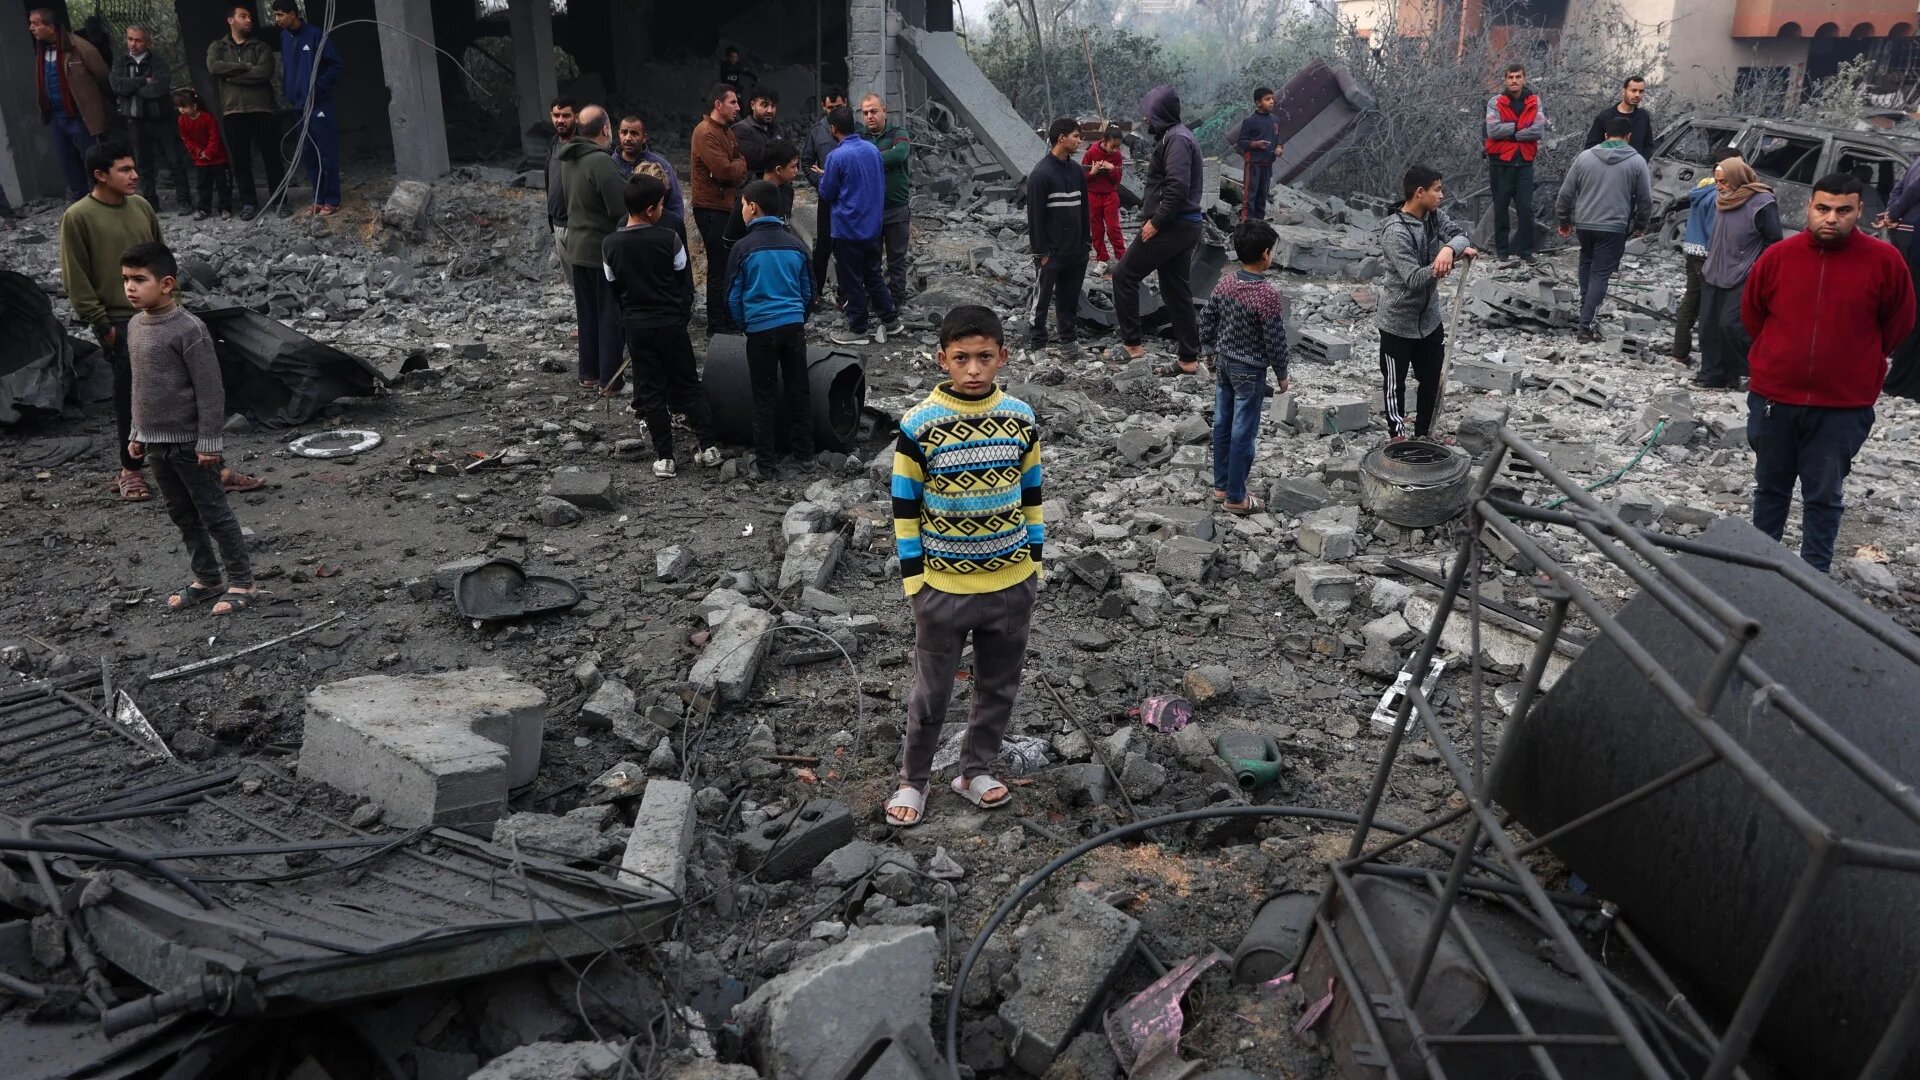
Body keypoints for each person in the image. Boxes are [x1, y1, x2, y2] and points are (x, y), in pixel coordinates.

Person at [884, 304, 1043, 828]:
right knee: (932, 690)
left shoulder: (1021, 419)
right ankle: (914, 779)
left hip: (1011, 582)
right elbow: (905, 510)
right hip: (943, 587)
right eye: (961, 358)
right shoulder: (919, 426)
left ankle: (975, 769)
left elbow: (1032, 496)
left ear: (1003, 357)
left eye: (984, 357)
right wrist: (916, 583)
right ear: (941, 360)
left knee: (998, 684)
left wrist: (1033, 563)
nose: (973, 370)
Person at [1743, 174, 1913, 573]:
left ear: (1860, 212)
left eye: (1843, 210)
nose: (1831, 218)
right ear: (1809, 208)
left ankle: (1813, 578)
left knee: (1823, 495)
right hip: (1775, 399)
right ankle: (1755, 569)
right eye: (1823, 209)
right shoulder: (1778, 257)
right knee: (1770, 489)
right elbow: (1753, 316)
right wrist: (1783, 357)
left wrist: (1855, 360)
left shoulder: (1885, 262)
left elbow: (1899, 324)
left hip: (1842, 405)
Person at [121, 241, 257, 617]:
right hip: (155, 444)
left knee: (214, 512)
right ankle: (207, 577)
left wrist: (210, 441)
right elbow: (140, 385)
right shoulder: (135, 325)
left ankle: (243, 581)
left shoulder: (189, 329)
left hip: (191, 446)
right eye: (126, 280)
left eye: (139, 279)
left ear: (167, 284)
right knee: (181, 513)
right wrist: (136, 431)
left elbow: (210, 390)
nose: (130, 287)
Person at [603, 173, 724, 479]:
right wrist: (679, 311)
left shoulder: (610, 244)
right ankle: (708, 447)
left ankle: (665, 458)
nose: (662, 210)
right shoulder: (668, 239)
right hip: (670, 324)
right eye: (659, 205)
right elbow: (684, 280)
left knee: (651, 390)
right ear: (649, 209)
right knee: (687, 384)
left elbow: (613, 287)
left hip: (637, 326)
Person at [62, 143, 161, 503]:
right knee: (130, 396)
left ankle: (207, 466)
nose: (134, 175)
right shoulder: (79, 216)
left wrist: (172, 305)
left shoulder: (142, 207)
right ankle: (130, 470)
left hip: (158, 314)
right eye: (124, 169)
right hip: (118, 319)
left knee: (181, 390)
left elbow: (161, 259)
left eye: (134, 168)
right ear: (100, 175)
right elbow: (77, 276)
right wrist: (102, 324)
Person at [725, 179, 816, 481]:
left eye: (741, 206)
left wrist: (745, 323)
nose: (741, 212)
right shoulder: (796, 245)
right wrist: (798, 317)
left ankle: (766, 464)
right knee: (798, 391)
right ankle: (805, 456)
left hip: (760, 331)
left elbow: (733, 295)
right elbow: (808, 291)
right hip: (792, 326)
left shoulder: (742, 248)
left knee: (763, 396)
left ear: (752, 207)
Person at [1377, 164, 1474, 442]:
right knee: (1395, 384)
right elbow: (1414, 278)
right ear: (1420, 192)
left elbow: (1461, 235)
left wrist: (1448, 248)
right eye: (1437, 190)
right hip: (1397, 322)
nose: (1441, 195)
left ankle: (1424, 434)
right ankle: (1397, 435)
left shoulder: (1433, 216)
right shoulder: (1395, 232)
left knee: (1431, 379)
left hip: (1429, 319)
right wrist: (1447, 261)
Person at [1202, 220, 1290, 514]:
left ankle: (1221, 486)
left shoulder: (1226, 282)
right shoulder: (1266, 295)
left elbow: (1207, 318)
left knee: (1222, 426)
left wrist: (1208, 349)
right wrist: (1282, 374)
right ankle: (1236, 497)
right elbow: (1275, 339)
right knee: (1243, 433)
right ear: (1265, 253)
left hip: (1224, 365)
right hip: (1249, 371)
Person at [1114, 85, 1204, 373]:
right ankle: (1189, 359)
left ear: (1160, 113)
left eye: (1148, 115)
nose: (1146, 120)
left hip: (1172, 225)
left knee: (1124, 275)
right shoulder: (1175, 136)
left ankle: (1132, 346)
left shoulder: (1176, 140)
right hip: (1184, 225)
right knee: (1175, 289)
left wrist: (1156, 221)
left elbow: (1177, 187)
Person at [1555, 114, 1651, 342]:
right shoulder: (1637, 162)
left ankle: (1586, 312)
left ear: (1605, 135)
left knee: (1586, 264)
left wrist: (1564, 220)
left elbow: (1566, 194)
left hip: (1585, 224)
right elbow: (1646, 199)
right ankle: (1585, 326)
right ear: (1629, 137)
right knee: (1600, 274)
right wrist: (1640, 225)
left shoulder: (1584, 157)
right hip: (1614, 227)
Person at [559, 106, 631, 392]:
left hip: (577, 248)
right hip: (601, 250)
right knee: (610, 315)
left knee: (587, 314)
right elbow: (620, 206)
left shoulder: (569, 158)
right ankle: (611, 379)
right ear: (605, 130)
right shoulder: (600, 162)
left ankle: (588, 373)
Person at [1696, 156, 1780, 390]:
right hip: (1715, 270)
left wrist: (1756, 269)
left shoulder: (1761, 201)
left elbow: (1773, 241)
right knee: (1708, 326)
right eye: (1717, 181)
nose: (1719, 186)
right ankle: (1713, 375)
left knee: (1731, 325)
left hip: (1744, 273)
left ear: (1737, 178)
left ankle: (1746, 371)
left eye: (1723, 182)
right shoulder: (1723, 199)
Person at [818, 105, 899, 346]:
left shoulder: (836, 157)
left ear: (834, 129)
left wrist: (824, 175)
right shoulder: (872, 150)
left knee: (850, 279)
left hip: (847, 229)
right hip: (872, 226)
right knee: (873, 273)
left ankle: (858, 327)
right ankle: (890, 319)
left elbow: (827, 192)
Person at [206, 3, 287, 220]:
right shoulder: (218, 47)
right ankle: (249, 202)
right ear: (230, 20)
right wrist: (245, 67)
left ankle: (280, 200)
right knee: (240, 160)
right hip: (233, 111)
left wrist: (231, 75)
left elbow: (263, 72)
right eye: (243, 16)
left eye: (250, 17)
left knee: (272, 158)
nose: (249, 20)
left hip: (262, 109)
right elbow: (214, 67)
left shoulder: (261, 47)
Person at [30, 8, 110, 202]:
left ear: (49, 26)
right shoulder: (42, 50)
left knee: (91, 159)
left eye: (36, 23)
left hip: (79, 115)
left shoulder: (79, 47)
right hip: (56, 116)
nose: (31, 28)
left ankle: (103, 198)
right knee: (67, 161)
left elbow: (102, 76)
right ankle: (80, 200)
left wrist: (94, 105)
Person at [272, 0, 343, 215]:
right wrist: (290, 93)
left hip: (319, 104)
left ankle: (332, 199)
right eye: (275, 15)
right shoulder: (284, 37)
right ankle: (318, 199)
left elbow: (336, 66)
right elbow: (288, 68)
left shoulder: (314, 35)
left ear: (293, 14)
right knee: (309, 153)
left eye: (280, 14)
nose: (276, 19)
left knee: (326, 152)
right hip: (298, 106)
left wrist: (317, 88)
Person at [1026, 118, 1090, 356]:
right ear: (1061, 138)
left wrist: (1086, 242)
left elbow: (1084, 209)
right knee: (1041, 298)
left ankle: (1068, 342)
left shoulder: (1076, 171)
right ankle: (1037, 343)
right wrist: (1041, 252)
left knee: (1069, 298)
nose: (1079, 141)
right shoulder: (1041, 174)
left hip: (1076, 251)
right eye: (1075, 136)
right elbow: (1035, 217)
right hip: (1051, 254)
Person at [111, 25, 190, 214]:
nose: (133, 44)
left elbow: (158, 89)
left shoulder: (158, 62)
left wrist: (132, 88)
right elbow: (117, 86)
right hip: (135, 120)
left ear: (147, 42)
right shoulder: (120, 62)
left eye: (138, 40)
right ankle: (150, 204)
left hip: (161, 119)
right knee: (142, 164)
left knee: (174, 161)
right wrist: (142, 80)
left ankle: (184, 201)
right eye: (130, 39)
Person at [1673, 145, 1739, 365]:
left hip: (1692, 250)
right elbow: (1715, 230)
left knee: (1691, 301)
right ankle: (1711, 357)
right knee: (1710, 307)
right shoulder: (1719, 196)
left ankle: (1680, 351)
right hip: (1708, 256)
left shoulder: (1702, 189)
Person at [691, 83, 748, 333]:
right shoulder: (705, 132)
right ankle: (716, 326)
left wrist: (736, 166)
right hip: (711, 208)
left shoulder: (726, 131)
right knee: (718, 267)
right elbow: (725, 170)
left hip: (725, 205)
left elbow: (738, 162)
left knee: (729, 265)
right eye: (733, 102)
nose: (738, 107)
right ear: (718, 104)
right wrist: (737, 166)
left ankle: (727, 319)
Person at [1484, 63, 1543, 263]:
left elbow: (1538, 131)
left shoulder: (1534, 101)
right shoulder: (1495, 102)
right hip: (1500, 162)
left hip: (1525, 162)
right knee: (1500, 207)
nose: (1514, 80)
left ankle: (1525, 251)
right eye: (1511, 77)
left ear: (1524, 78)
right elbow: (1493, 131)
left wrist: (1509, 130)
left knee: (1525, 208)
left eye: (1518, 77)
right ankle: (1502, 251)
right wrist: (1521, 128)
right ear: (1506, 79)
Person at [859, 94, 914, 307]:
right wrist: (883, 155)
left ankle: (898, 300)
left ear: (884, 111)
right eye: (865, 113)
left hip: (896, 208)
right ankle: (875, 300)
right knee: (870, 258)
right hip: (870, 211)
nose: (870, 116)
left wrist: (866, 159)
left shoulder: (899, 133)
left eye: (873, 111)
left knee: (896, 259)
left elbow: (899, 155)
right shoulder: (860, 137)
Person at [1873, 155, 1920, 401]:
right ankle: (1905, 381)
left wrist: (1892, 213)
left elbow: (1900, 188)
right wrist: (1894, 213)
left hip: (1905, 232)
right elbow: (1911, 188)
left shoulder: (1915, 160)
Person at [803, 85, 849, 298]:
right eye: (830, 108)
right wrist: (821, 183)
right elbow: (806, 163)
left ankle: (846, 294)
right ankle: (815, 294)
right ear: (823, 107)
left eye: (838, 106)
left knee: (847, 248)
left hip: (850, 200)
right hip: (827, 200)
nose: (834, 111)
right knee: (823, 247)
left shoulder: (854, 128)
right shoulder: (817, 131)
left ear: (845, 104)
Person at [723, 139, 799, 250]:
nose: (797, 170)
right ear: (778, 170)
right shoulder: (749, 194)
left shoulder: (787, 190)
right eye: (793, 166)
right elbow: (730, 239)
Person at [612, 115, 685, 223]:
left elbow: (675, 203)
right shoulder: (610, 164)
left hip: (656, 231)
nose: (628, 138)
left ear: (644, 137)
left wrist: (673, 229)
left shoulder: (661, 165)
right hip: (621, 232)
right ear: (619, 134)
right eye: (624, 132)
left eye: (634, 133)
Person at [174, 88, 233, 221]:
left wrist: (209, 152)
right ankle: (204, 208)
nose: (181, 110)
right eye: (179, 107)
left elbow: (215, 137)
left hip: (218, 159)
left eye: (184, 106)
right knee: (203, 185)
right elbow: (186, 139)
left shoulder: (208, 118)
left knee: (223, 184)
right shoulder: (181, 120)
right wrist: (198, 152)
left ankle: (225, 208)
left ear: (194, 106)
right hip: (200, 159)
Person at [1231, 86, 1283, 222]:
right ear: (1258, 102)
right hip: (1253, 164)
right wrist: (1256, 144)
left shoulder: (1275, 120)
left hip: (1267, 164)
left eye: (1272, 98)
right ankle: (1246, 224)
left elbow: (1278, 138)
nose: (1272, 101)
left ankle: (1259, 223)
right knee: (1250, 196)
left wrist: (1278, 148)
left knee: (1262, 196)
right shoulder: (1250, 121)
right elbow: (1241, 142)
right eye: (1267, 99)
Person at [1081, 124, 1126, 274]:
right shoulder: (1091, 153)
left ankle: (1122, 256)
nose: (1115, 150)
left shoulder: (1117, 156)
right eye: (1113, 146)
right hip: (1092, 195)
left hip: (1110, 195)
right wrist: (1092, 172)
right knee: (1097, 229)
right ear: (1104, 141)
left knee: (1113, 227)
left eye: (1118, 147)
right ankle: (1102, 259)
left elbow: (1117, 180)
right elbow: (1082, 178)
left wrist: (1112, 168)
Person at [1584, 75, 1653, 159]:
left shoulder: (1643, 116)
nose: (1637, 95)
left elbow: (1648, 145)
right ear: (1624, 91)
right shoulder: (1605, 117)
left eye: (1641, 91)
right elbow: (1591, 147)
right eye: (1633, 90)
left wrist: (1641, 163)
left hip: (1635, 168)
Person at [545, 96, 578, 271]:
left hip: (579, 227)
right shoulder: (553, 144)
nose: (560, 120)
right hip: (558, 224)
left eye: (566, 116)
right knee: (572, 283)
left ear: (576, 117)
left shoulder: (583, 146)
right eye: (556, 115)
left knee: (585, 283)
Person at [733, 86, 779, 175]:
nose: (770, 110)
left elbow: (793, 159)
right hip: (755, 186)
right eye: (764, 105)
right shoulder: (741, 130)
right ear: (753, 105)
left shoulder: (779, 129)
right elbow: (755, 161)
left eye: (773, 106)